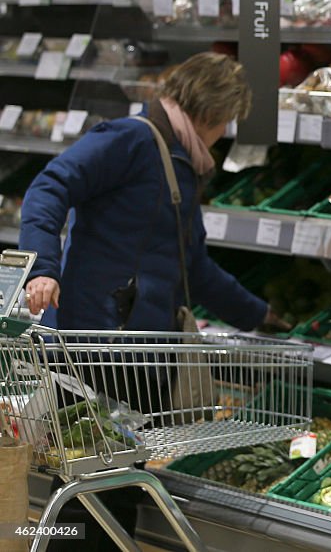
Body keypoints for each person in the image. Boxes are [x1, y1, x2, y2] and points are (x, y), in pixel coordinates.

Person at [18, 51, 290, 551]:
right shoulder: (131, 140)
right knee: (96, 489)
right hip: (98, 346)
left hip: (137, 352)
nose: (223, 133)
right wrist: (42, 268)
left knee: (102, 487)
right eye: (225, 122)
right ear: (210, 113)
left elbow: (194, 269)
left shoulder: (178, 163)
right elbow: (48, 186)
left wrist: (261, 316)